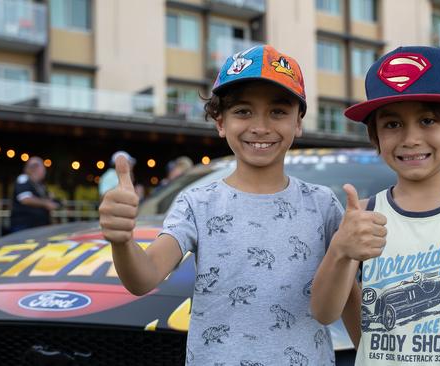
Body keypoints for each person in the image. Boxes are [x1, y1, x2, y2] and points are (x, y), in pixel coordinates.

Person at [99, 45, 346, 365]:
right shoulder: (196, 203)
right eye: (243, 111)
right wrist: (122, 240)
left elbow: (350, 294)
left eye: (278, 111)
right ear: (220, 122)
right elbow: (144, 278)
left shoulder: (324, 205)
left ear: (298, 121)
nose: (260, 126)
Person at [311, 46, 440, 365]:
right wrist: (340, 251)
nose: (410, 138)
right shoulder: (364, 214)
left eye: (427, 120)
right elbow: (325, 313)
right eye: (392, 125)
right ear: (375, 136)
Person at [10, 156, 59, 232]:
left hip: (38, 226)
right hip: (25, 226)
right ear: (36, 168)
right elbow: (25, 198)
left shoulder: (39, 184)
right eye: (43, 168)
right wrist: (46, 203)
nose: (44, 171)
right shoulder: (23, 179)